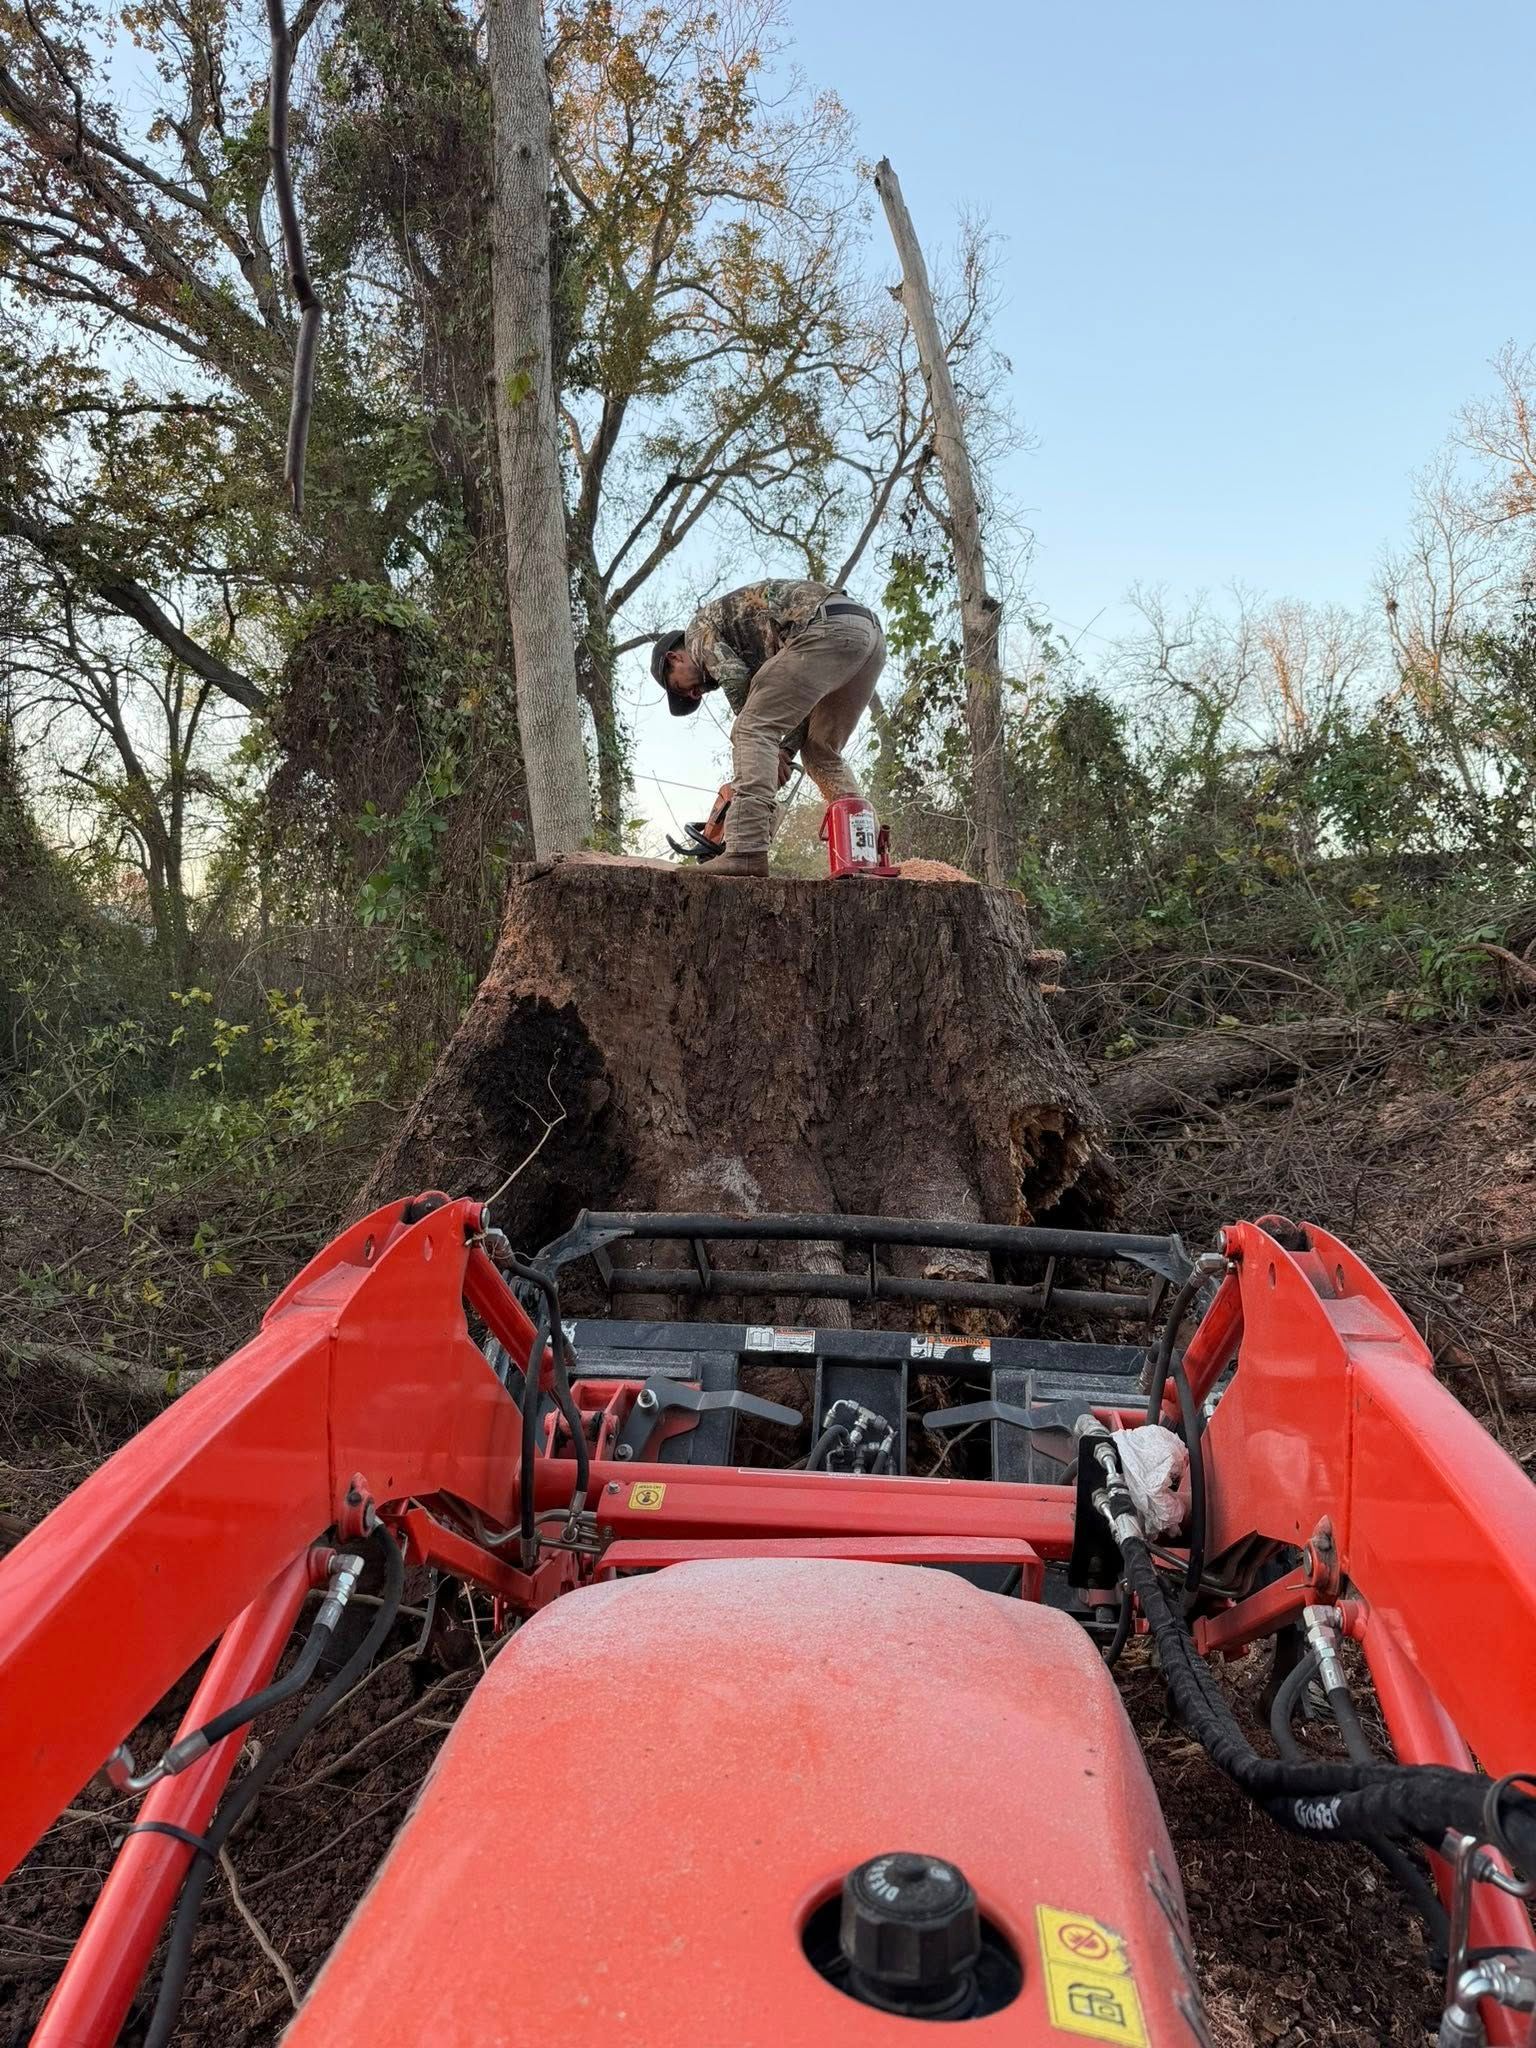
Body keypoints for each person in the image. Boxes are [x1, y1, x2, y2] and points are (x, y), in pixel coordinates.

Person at [651, 578, 885, 877]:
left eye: (680, 689)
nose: (694, 695)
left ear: (674, 658)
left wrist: (767, 745)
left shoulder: (698, 634)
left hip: (823, 628)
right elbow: (797, 708)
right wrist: (784, 751)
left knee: (750, 727)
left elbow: (735, 679)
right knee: (819, 751)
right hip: (866, 635)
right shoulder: (758, 645)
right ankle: (862, 856)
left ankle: (746, 849)